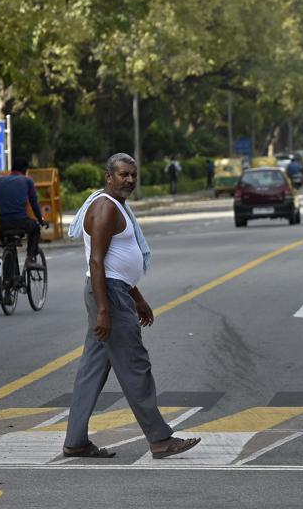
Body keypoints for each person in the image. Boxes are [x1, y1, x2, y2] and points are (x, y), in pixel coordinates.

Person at [62, 153, 200, 460]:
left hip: (115, 291)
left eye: (133, 175)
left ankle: (75, 441)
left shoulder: (116, 206)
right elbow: (96, 261)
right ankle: (160, 439)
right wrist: (103, 309)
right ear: (108, 177)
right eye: (123, 175)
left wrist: (136, 297)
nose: (130, 180)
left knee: (92, 369)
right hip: (108, 294)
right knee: (135, 365)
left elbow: (114, 262)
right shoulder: (104, 208)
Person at [0, 157, 45, 265]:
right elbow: (34, 203)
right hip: (21, 222)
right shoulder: (27, 180)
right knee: (35, 229)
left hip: (3, 225)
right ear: (24, 170)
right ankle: (30, 258)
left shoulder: (0, 181)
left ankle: (8, 266)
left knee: (7, 245)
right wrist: (41, 220)